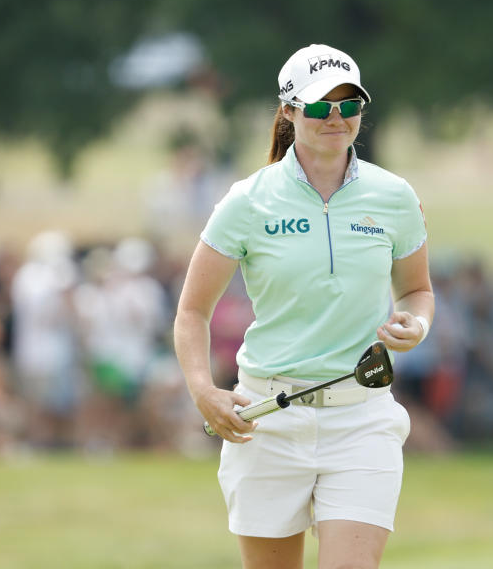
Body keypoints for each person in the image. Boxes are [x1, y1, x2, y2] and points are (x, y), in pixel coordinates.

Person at [174, 43, 434, 569]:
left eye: (348, 104)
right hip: (266, 419)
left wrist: (418, 323)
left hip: (361, 416)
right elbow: (192, 312)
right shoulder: (249, 201)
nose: (335, 118)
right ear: (290, 112)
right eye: (318, 106)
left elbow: (416, 290)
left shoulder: (394, 196)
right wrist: (203, 391)